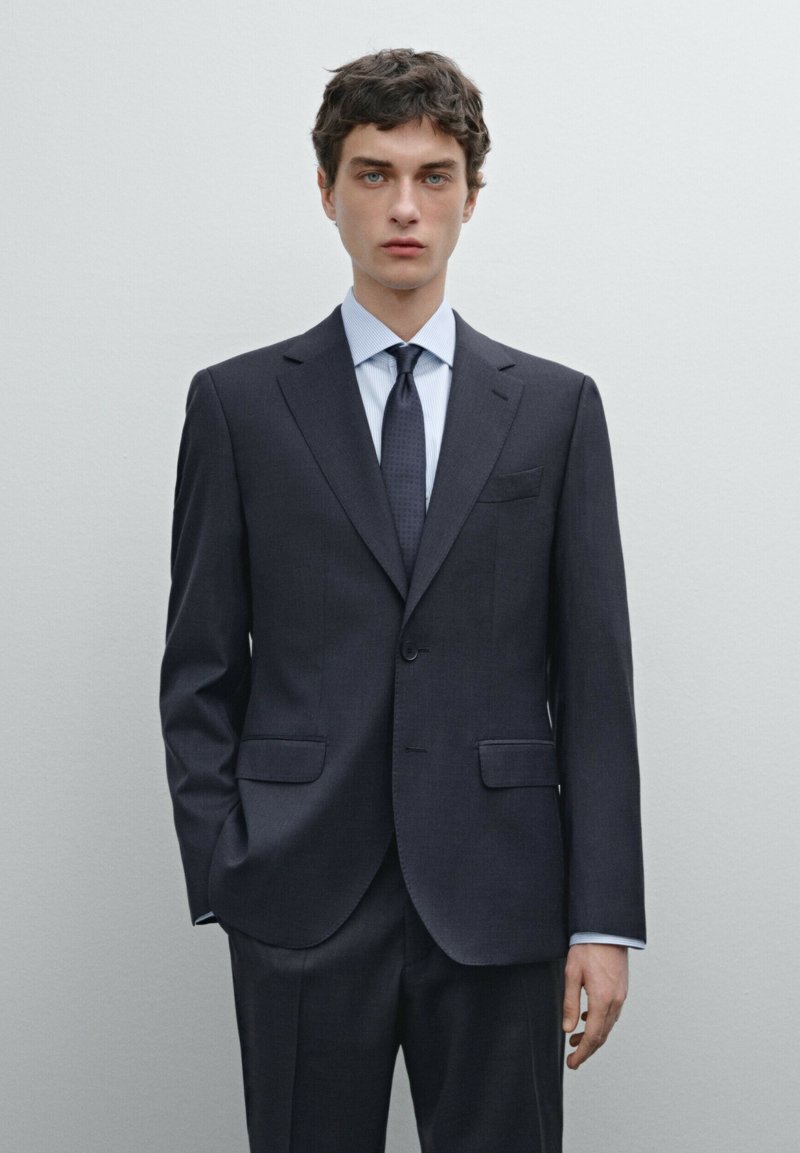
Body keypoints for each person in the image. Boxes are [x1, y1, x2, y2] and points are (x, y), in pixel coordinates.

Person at [159, 47, 646, 1153]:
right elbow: (198, 665)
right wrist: (226, 862)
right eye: (373, 174)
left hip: (501, 890)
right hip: (297, 889)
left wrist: (603, 915)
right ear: (326, 190)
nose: (404, 207)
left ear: (472, 196)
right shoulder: (238, 405)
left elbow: (594, 681)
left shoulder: (555, 409)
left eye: (434, 176)